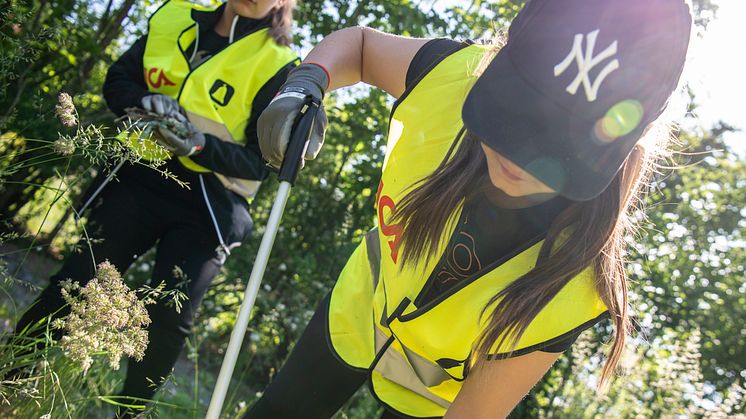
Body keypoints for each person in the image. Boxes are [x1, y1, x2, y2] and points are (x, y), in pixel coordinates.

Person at [250, 0, 692, 417]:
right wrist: (307, 81)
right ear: (504, 62)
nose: (522, 155)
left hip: (430, 393)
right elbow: (362, 46)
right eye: (521, 108)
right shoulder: (450, 75)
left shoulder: (577, 284)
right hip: (357, 308)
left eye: (564, 140)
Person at [13, 0, 298, 416]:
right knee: (75, 282)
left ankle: (130, 412)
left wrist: (200, 144)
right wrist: (146, 104)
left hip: (211, 205)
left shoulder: (283, 64)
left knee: (167, 319)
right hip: (139, 176)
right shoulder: (173, 18)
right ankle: (12, 376)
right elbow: (118, 81)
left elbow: (263, 161)